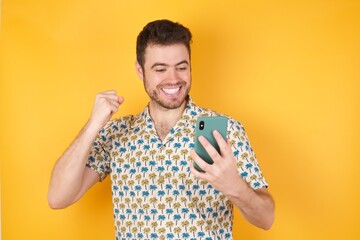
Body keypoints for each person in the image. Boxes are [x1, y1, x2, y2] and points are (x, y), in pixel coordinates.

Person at [48, 19, 274, 239]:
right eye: (160, 69)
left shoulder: (224, 131)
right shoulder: (116, 133)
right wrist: (92, 126)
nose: (173, 79)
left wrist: (235, 186)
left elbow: (266, 219)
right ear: (140, 71)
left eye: (181, 67)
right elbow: (58, 198)